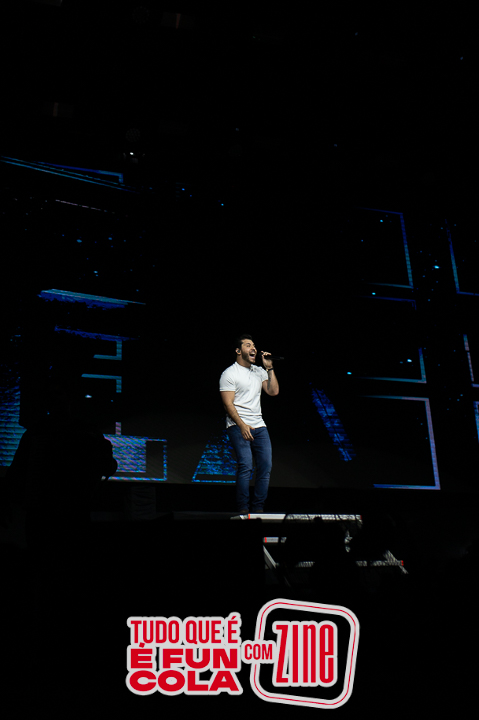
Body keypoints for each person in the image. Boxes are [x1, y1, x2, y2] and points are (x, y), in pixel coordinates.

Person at [219, 334, 279, 514]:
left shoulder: (259, 371)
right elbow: (228, 404)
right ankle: (243, 508)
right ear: (238, 351)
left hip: (259, 425)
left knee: (265, 466)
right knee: (246, 465)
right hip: (237, 424)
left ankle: (258, 508)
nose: (253, 348)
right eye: (248, 345)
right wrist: (242, 425)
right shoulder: (229, 373)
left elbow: (273, 391)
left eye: (254, 345)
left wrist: (269, 368)